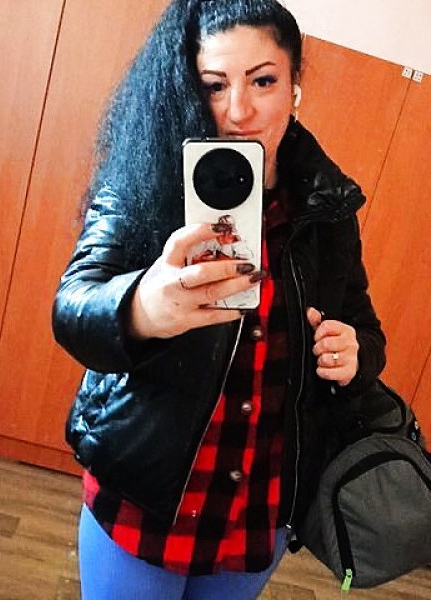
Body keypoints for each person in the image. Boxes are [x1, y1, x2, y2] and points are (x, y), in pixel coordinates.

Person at [52, 0, 386, 597]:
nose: (238, 110)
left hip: (258, 513)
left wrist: (353, 353)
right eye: (214, 85)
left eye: (263, 81)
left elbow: (365, 329)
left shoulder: (326, 206)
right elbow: (74, 305)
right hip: (147, 502)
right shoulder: (146, 176)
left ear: (295, 84)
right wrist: (141, 309)